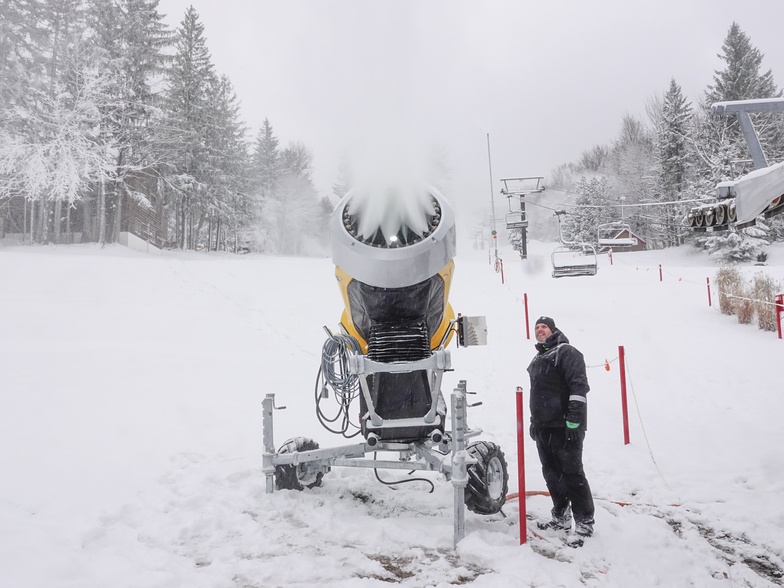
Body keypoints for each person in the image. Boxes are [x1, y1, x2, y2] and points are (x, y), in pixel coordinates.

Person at [527, 316, 595, 543]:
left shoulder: (566, 352)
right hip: (544, 427)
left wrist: (574, 421)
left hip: (565, 426)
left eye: (543, 326)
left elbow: (579, 387)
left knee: (572, 475)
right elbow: (538, 394)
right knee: (552, 475)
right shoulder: (539, 358)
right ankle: (561, 517)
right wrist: (533, 422)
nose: (539, 330)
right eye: (536, 328)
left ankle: (584, 524)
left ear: (553, 330)